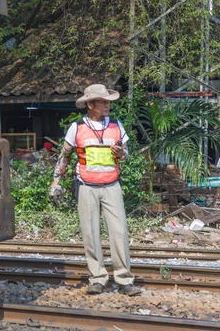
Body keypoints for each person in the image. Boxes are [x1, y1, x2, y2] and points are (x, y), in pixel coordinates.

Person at [48, 84, 141, 296]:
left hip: (112, 186)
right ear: (91, 105)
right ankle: (97, 278)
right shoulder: (77, 127)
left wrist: (121, 154)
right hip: (86, 187)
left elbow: (126, 155)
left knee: (119, 232)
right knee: (91, 234)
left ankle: (124, 279)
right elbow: (65, 156)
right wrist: (55, 182)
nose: (108, 105)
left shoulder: (117, 125)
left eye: (108, 101)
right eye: (103, 101)